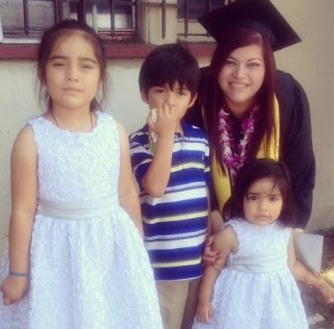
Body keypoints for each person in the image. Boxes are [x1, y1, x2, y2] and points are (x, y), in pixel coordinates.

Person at [0, 19, 162, 329]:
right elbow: (22, 210)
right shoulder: (31, 138)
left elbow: (127, 193)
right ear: (43, 73)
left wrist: (136, 249)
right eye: (60, 64)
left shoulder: (113, 132)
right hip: (54, 254)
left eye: (86, 66)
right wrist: (18, 272)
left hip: (108, 249)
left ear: (101, 77)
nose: (72, 75)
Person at [185, 0, 315, 231]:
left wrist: (291, 234)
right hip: (210, 222)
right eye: (230, 62)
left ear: (267, 68)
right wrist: (215, 221)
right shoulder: (198, 96)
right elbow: (191, 169)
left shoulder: (288, 98)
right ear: (218, 63)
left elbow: (300, 172)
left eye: (253, 65)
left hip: (270, 225)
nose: (240, 75)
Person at [192, 158, 334, 329]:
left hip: (276, 304)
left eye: (272, 199)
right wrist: (204, 301)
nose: (263, 207)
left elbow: (293, 265)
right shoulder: (231, 233)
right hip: (239, 304)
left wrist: (321, 284)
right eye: (253, 198)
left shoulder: (284, 231)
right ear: (241, 199)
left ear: (284, 201)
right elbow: (213, 268)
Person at [129, 43, 211, 329]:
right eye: (160, 91)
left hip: (197, 257)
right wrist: (164, 136)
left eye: (180, 92)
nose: (169, 101)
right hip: (163, 264)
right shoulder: (139, 142)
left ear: (192, 99)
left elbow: (206, 192)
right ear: (145, 94)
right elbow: (155, 186)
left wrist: (213, 233)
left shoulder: (200, 139)